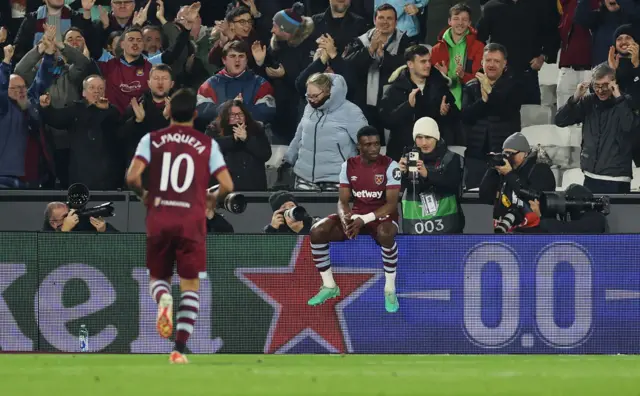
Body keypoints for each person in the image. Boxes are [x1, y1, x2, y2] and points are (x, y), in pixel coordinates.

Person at [125, 88, 234, 364]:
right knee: (190, 286)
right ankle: (178, 351)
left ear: (169, 111)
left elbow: (132, 177)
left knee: (158, 278)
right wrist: (211, 199)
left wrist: (146, 196)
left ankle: (163, 297)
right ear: (196, 115)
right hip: (191, 220)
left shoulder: (152, 139)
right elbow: (228, 185)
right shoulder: (207, 144)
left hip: (160, 217)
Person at [307, 126, 402, 313]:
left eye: (377, 144)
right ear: (359, 146)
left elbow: (391, 204)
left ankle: (390, 289)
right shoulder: (348, 166)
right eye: (368, 145)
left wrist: (363, 220)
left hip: (382, 216)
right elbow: (342, 201)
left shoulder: (391, 166)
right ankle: (329, 286)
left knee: (385, 234)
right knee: (317, 231)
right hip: (358, 215)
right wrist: (345, 220)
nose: (374, 148)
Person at [479, 132, 556, 233]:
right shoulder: (504, 172)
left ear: (525, 153)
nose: (508, 158)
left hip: (531, 233)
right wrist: (493, 168)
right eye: (505, 154)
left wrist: (509, 174)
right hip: (505, 230)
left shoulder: (539, 170)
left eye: (511, 154)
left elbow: (535, 198)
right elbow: (485, 196)